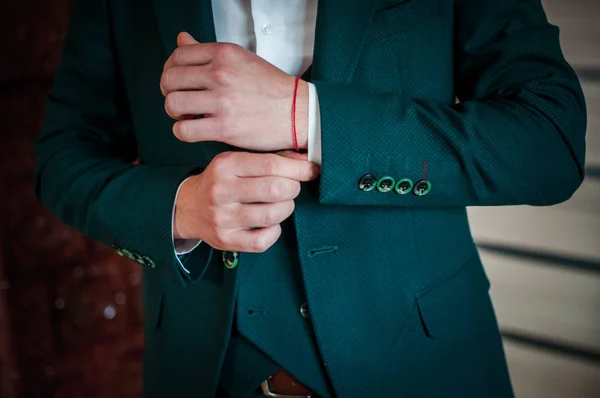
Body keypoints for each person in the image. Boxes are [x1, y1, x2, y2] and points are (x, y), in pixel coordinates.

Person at [34, 0, 587, 397]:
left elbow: (548, 140)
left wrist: (306, 113)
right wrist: (180, 208)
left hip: (423, 363)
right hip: (198, 370)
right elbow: (62, 157)